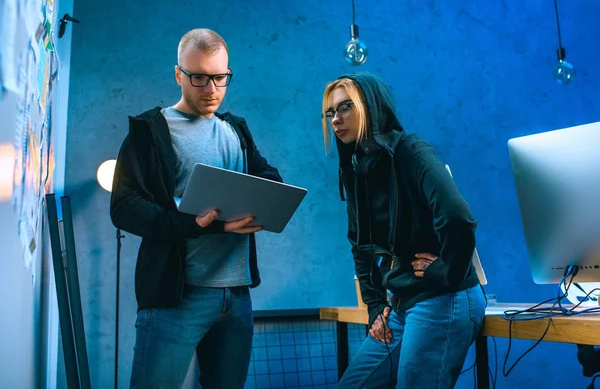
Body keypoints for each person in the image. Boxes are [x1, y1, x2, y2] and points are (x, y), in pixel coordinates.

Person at [110, 28, 282, 389]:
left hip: (236, 298)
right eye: (199, 78)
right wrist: (196, 223)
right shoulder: (150, 131)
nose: (212, 89)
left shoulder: (235, 129)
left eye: (221, 78)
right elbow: (124, 208)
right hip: (177, 298)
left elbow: (264, 172)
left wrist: (270, 194)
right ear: (178, 74)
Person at [321, 72, 485, 388]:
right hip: (402, 302)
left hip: (444, 298)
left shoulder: (410, 151)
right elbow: (359, 243)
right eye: (330, 113)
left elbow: (458, 217)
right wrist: (375, 305)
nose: (336, 120)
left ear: (369, 106)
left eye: (345, 108)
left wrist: (447, 271)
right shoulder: (356, 169)